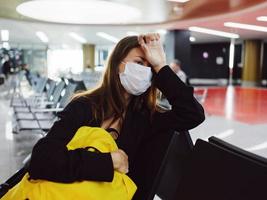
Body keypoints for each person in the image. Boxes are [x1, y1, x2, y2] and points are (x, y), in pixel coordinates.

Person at [28, 33, 205, 199]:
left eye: (150, 67)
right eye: (139, 62)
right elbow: (41, 159)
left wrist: (161, 67)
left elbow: (193, 114)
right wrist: (108, 161)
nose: (145, 71)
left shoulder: (147, 118)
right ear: (117, 64)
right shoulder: (84, 106)